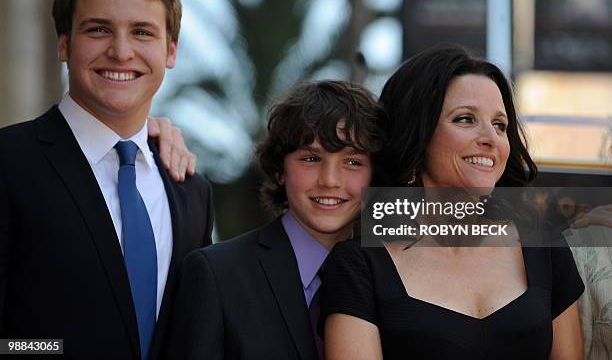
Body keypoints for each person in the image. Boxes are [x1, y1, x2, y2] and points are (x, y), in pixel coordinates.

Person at [0, 0, 214, 360]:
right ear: (64, 44)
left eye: (142, 32)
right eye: (98, 30)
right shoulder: (9, 164)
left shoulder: (192, 193)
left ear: (171, 51)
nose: (120, 51)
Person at [321, 44, 585, 359]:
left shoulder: (546, 247)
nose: (491, 138)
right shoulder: (357, 265)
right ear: (417, 133)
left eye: (500, 125)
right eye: (464, 119)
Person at [167, 80, 386, 359]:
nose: (330, 181)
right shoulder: (216, 275)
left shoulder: (395, 275)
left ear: (375, 175)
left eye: (353, 162)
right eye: (310, 159)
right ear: (280, 169)